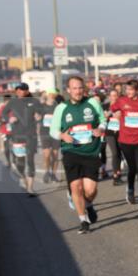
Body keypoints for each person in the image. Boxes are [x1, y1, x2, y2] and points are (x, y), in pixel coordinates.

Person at [50, 75, 106, 233]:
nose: (78, 91)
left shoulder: (92, 103)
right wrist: (62, 136)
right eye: (74, 88)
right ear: (68, 90)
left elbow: (102, 120)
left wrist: (100, 129)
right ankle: (83, 221)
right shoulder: (61, 108)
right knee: (76, 188)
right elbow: (53, 130)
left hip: (91, 151)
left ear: (84, 89)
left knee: (90, 190)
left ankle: (88, 205)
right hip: (71, 151)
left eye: (80, 88)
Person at [110, 79, 138, 208]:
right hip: (125, 140)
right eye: (126, 90)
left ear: (137, 90)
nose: (128, 92)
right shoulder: (122, 100)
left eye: (130, 90)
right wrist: (116, 114)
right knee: (132, 168)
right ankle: (130, 189)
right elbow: (113, 109)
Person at [0, 83, 40, 197]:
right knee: (19, 162)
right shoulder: (12, 102)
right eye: (18, 90)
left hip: (31, 135)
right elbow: (4, 113)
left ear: (27, 91)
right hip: (17, 135)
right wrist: (9, 118)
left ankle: (30, 188)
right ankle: (23, 177)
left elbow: (41, 112)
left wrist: (39, 115)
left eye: (22, 90)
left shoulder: (34, 101)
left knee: (30, 160)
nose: (20, 92)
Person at [36, 90, 63, 182]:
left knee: (55, 155)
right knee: (47, 154)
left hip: (55, 132)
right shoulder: (42, 106)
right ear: (47, 96)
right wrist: (37, 117)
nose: (51, 96)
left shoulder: (58, 106)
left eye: (53, 95)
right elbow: (36, 116)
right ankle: (47, 172)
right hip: (45, 132)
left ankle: (53, 174)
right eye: (50, 95)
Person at [102, 86, 124, 185]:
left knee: (119, 153)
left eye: (115, 96)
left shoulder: (122, 106)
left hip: (120, 131)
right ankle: (115, 175)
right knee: (114, 152)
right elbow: (101, 119)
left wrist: (120, 117)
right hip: (109, 132)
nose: (113, 98)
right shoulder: (105, 106)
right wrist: (105, 116)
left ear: (118, 96)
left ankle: (118, 173)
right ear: (109, 97)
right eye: (111, 96)